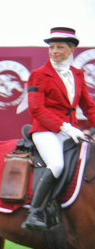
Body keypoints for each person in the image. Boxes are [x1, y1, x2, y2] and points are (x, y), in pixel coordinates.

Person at [23, 27, 95, 232]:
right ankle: (34, 212)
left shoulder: (78, 75)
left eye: (60, 47)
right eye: (51, 47)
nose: (54, 51)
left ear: (71, 49)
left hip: (69, 131)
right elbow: (36, 108)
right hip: (46, 130)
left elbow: (89, 107)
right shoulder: (38, 75)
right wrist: (64, 127)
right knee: (56, 165)